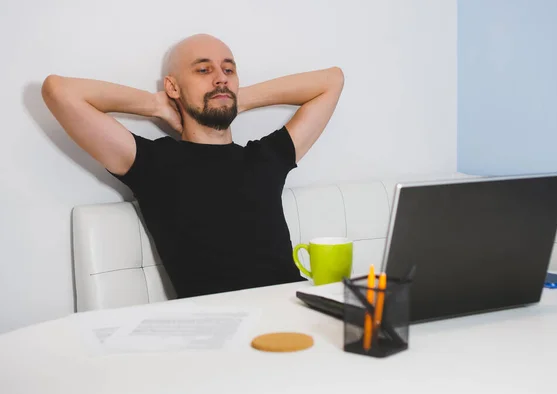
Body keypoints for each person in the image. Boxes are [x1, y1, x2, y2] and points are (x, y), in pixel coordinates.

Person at [41, 33, 345, 298]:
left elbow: (332, 80)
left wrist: (236, 98)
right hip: (225, 330)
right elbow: (59, 91)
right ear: (173, 87)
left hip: (294, 308)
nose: (221, 77)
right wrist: (156, 104)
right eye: (203, 70)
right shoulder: (152, 163)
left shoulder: (267, 156)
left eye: (229, 70)